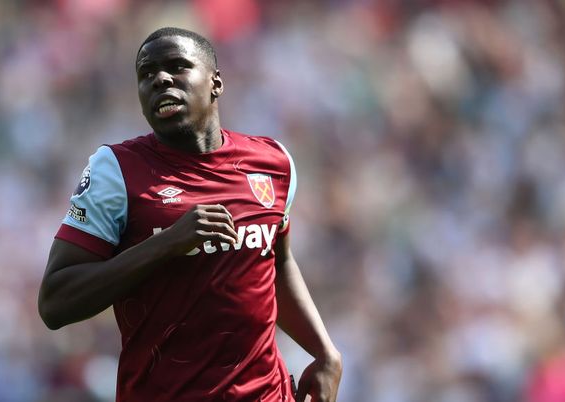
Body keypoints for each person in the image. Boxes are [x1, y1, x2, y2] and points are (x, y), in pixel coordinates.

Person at [38, 27, 342, 402]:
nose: (160, 79)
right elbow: (55, 302)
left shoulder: (273, 163)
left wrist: (324, 351)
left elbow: (275, 263)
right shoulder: (116, 170)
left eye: (177, 67)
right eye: (146, 74)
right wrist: (166, 243)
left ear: (215, 83)